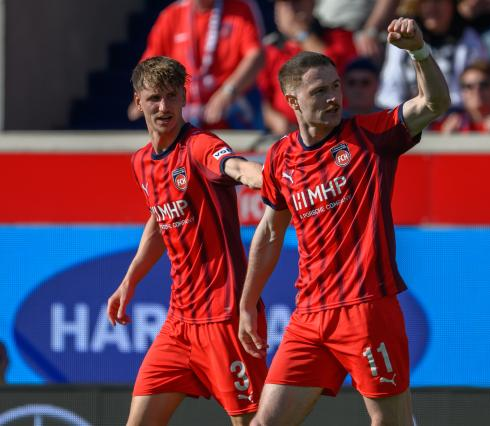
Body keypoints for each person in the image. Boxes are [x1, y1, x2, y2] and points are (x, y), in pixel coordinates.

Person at [238, 17, 450, 425]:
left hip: (367, 310)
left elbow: (434, 104)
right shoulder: (281, 156)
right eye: (319, 91)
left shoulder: (371, 135)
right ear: (293, 101)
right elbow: (269, 233)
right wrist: (248, 302)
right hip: (309, 315)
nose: (334, 98)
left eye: (335, 86)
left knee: (389, 422)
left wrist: (419, 52)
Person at [107, 56, 267, 426]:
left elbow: (235, 166)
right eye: (154, 98)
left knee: (253, 422)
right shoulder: (141, 162)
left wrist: (260, 176)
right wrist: (129, 282)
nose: (163, 107)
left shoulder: (199, 146)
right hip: (179, 322)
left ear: (184, 96)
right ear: (138, 101)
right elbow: (159, 221)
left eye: (171, 96)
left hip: (225, 316)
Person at [128, 0, 265, 130]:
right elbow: (149, 65)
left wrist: (227, 92)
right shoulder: (171, 14)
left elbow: (256, 56)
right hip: (183, 115)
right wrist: (145, 96)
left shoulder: (240, 8)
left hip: (230, 116)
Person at [257, 0, 357, 135]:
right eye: (283, 4)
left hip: (336, 131)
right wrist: (274, 120)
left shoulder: (339, 36)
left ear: (313, 4)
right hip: (287, 135)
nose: (290, 9)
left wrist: (302, 34)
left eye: (296, 2)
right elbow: (259, 96)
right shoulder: (269, 49)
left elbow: (331, 72)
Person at [376, 0, 486, 109]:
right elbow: (391, 90)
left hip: (454, 114)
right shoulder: (402, 38)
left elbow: (472, 90)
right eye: (425, 2)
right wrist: (406, 114)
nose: (432, 7)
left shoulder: (470, 39)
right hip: (408, 114)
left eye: (438, 1)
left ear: (452, 5)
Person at [432, 60, 490, 133]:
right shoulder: (445, 127)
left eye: (484, 85)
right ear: (462, 93)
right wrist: (447, 141)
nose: (477, 91)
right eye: (469, 86)